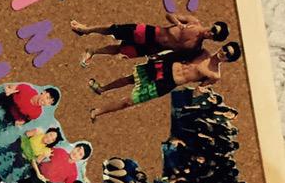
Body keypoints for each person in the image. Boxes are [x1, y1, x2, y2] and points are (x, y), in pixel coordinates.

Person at [89, 42, 243, 116]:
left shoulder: (215, 75)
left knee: (130, 101)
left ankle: (97, 111)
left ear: (229, 60)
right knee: (130, 79)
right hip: (165, 67)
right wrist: (160, 55)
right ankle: (102, 88)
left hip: (168, 83)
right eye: (225, 49)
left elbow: (198, 90)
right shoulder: (203, 52)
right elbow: (178, 53)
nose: (224, 53)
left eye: (228, 54)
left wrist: (201, 91)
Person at [74, 15, 228, 62]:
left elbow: (175, 56)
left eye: (215, 36)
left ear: (214, 40)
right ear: (213, 24)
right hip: (150, 33)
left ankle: (93, 51)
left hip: (153, 48)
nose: (211, 33)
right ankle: (86, 29)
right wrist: (178, 23)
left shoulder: (195, 48)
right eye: (214, 30)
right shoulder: (193, 22)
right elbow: (169, 15)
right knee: (114, 29)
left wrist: (157, 57)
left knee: (121, 49)